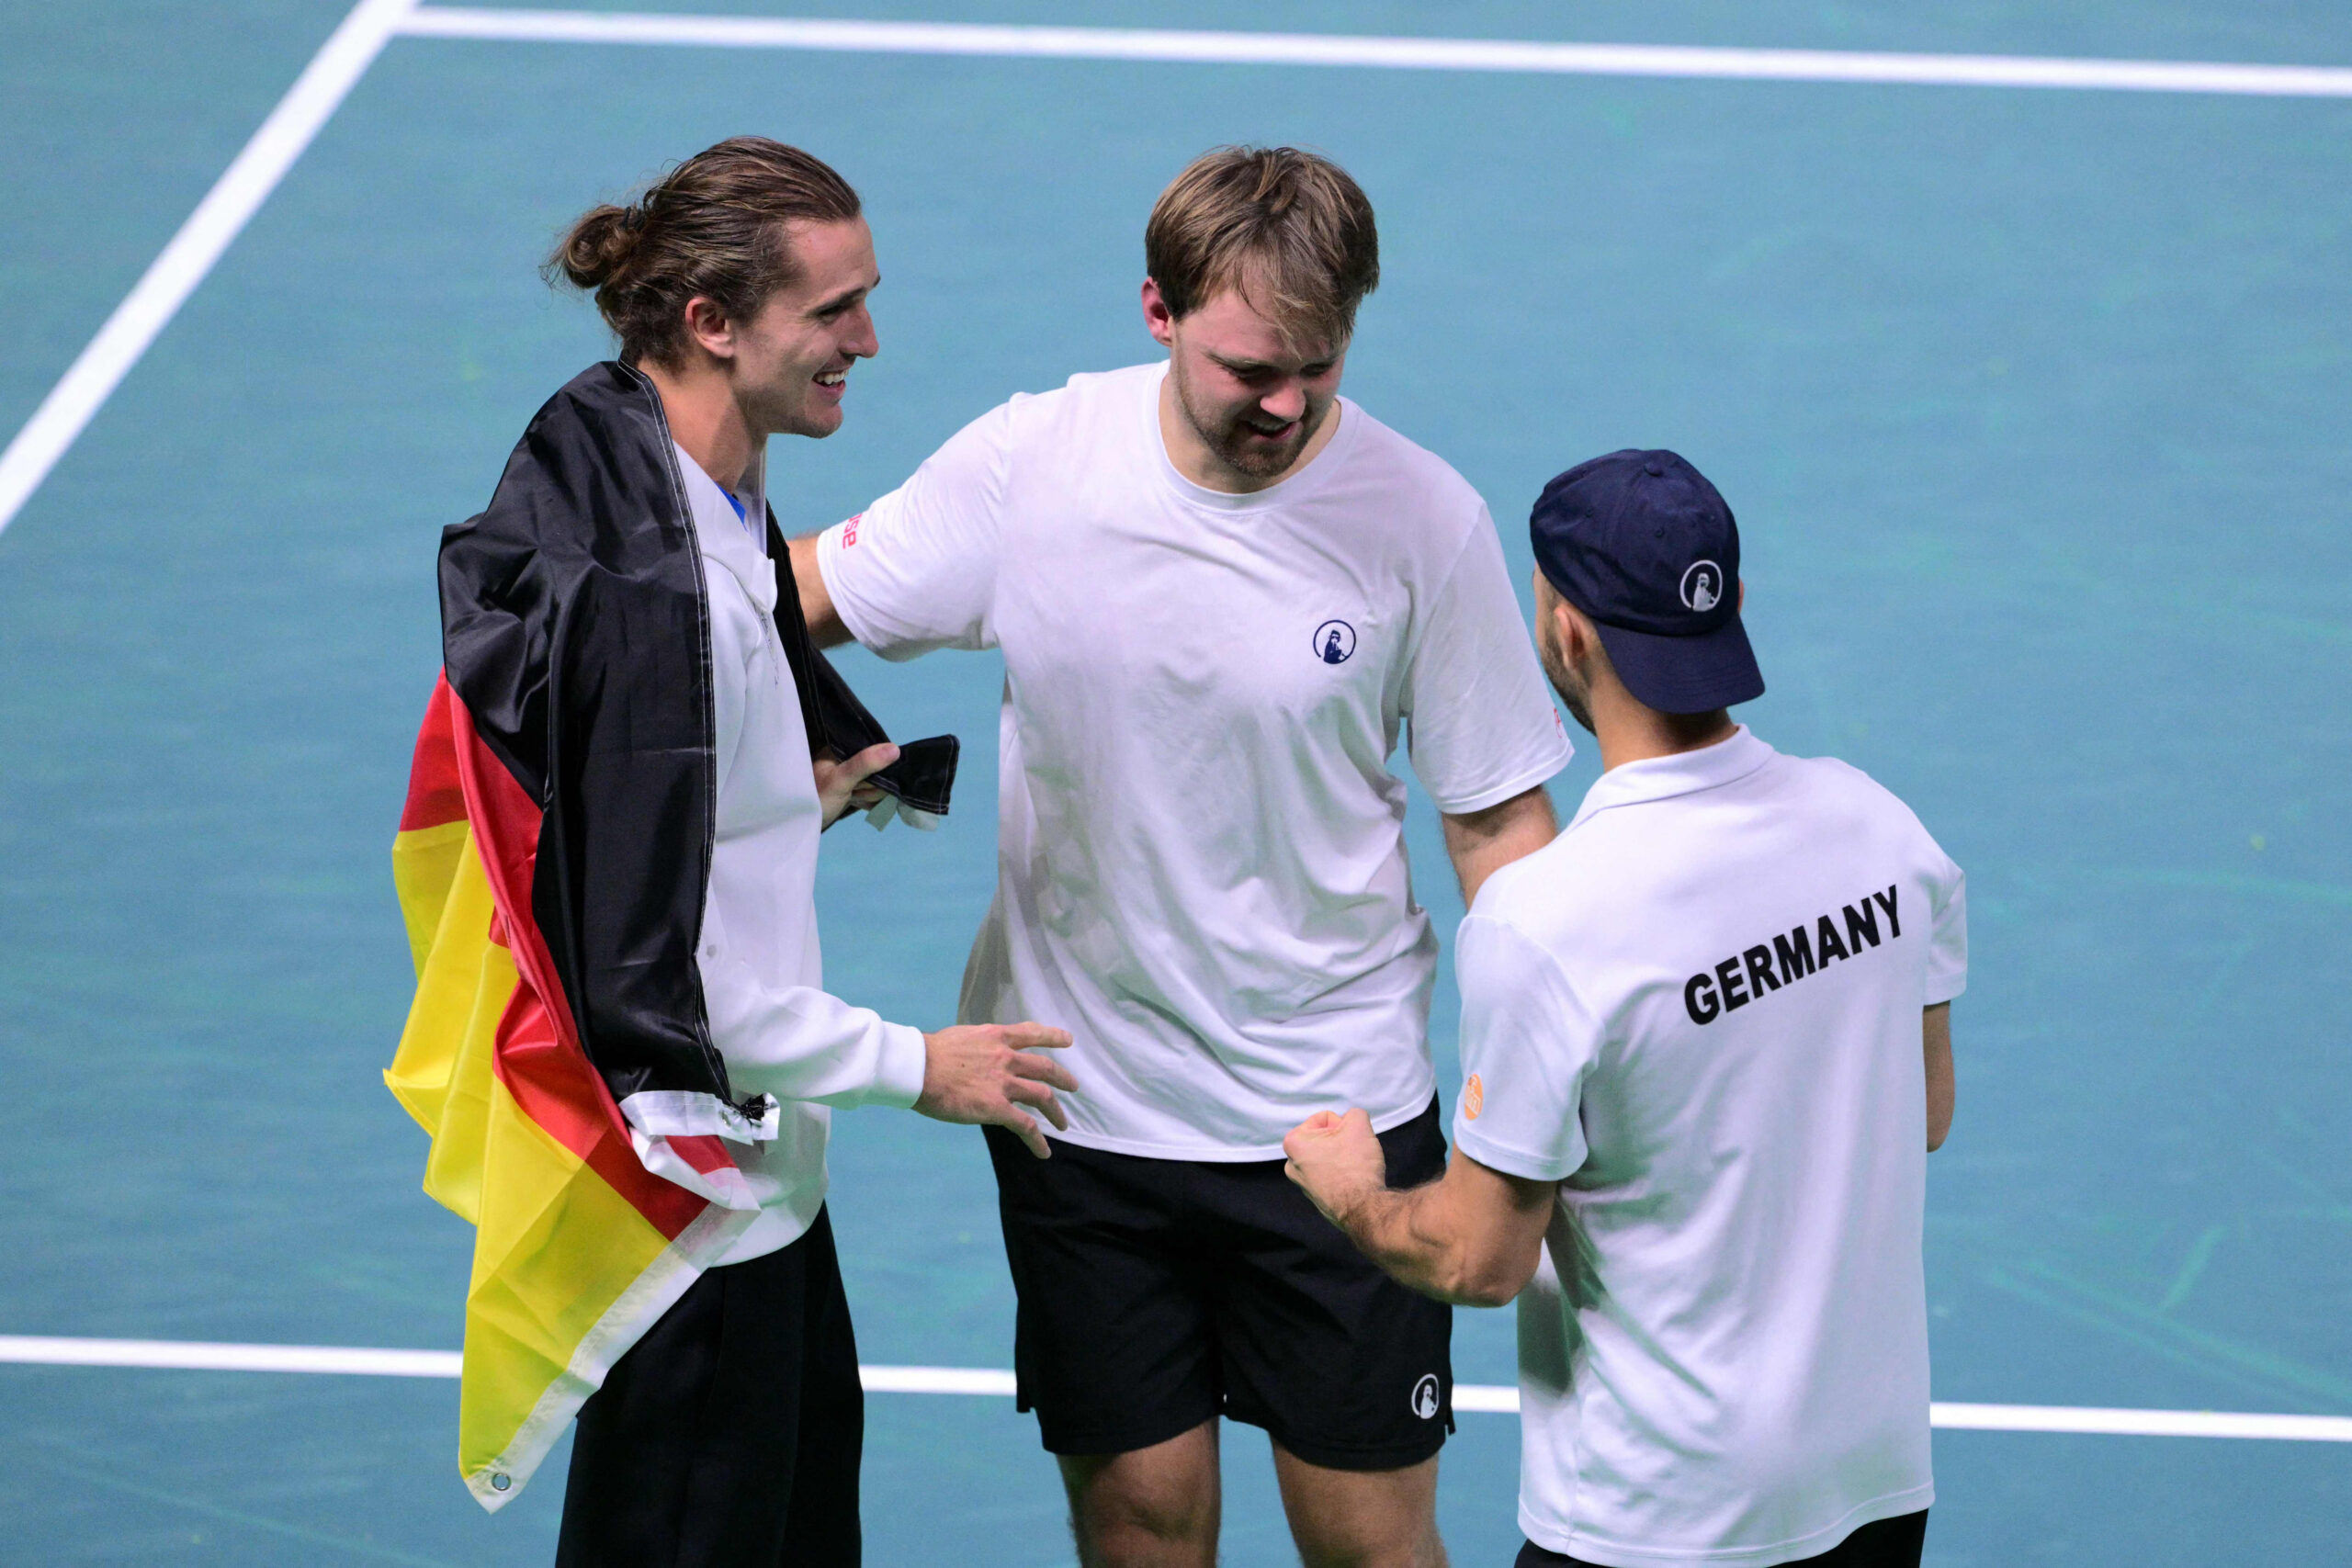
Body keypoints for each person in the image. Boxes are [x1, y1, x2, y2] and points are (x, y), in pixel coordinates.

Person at [788, 146, 1571, 1567]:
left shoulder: (1421, 519)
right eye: (1249, 368)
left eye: (1316, 371)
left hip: (1334, 1120)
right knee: (1141, 1519)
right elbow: (795, 598)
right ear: (1158, 310)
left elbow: (1501, 825)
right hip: (1082, 1108)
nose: (1284, 405)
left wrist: (1545, 1079)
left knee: (1368, 1539)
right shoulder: (1037, 463)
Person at [389, 138, 1076, 1565]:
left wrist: (773, 781)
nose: (867, 340)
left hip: (752, 1193)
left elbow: (634, 795)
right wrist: (919, 1065)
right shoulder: (666, 609)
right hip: (696, 1202)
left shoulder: (629, 446)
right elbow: (669, 992)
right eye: (831, 311)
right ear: (711, 321)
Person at [1283, 448, 1965, 1568]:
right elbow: (1921, 1110)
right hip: (1873, 1488)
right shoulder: (1886, 833)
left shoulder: (1545, 922)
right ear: (1732, 607)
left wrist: (1356, 1194)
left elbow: (1478, 1264)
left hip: (1658, 1524)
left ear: (1566, 634)